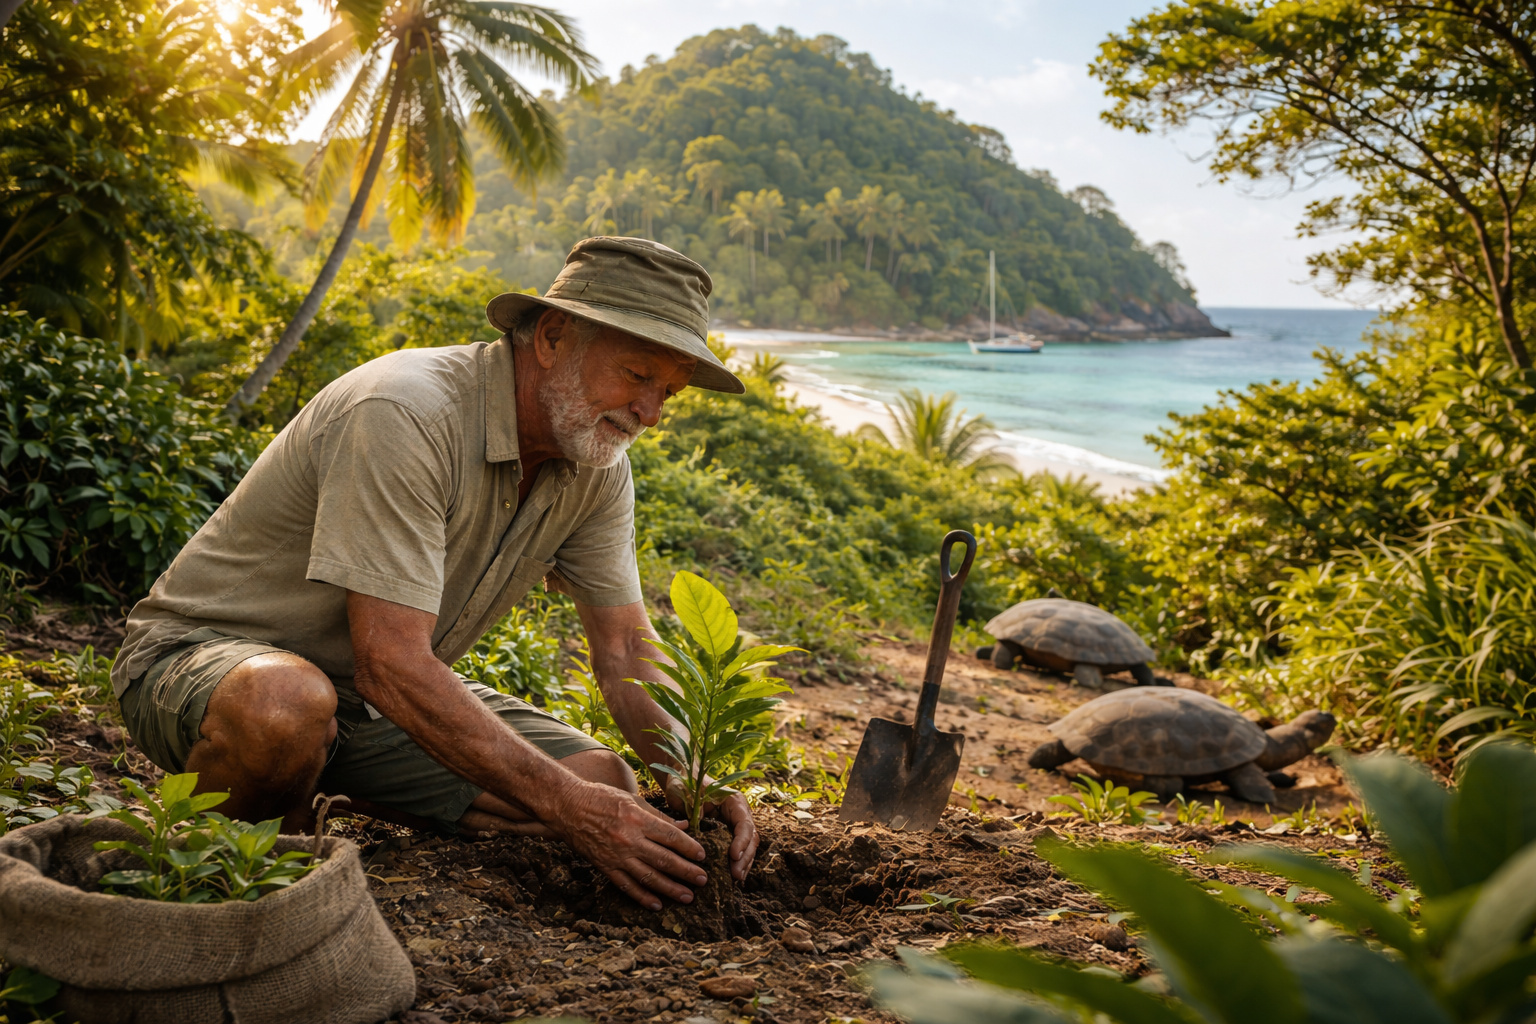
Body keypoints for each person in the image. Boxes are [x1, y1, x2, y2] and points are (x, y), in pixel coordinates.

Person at [109, 237, 754, 912]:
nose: (650, 414)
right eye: (637, 375)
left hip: (365, 697)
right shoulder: (406, 412)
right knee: (285, 709)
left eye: (669, 394)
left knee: (603, 781)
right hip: (204, 667)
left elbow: (623, 646)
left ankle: (308, 782)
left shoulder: (596, 465)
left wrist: (690, 778)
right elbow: (390, 659)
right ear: (554, 336)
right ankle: (241, 826)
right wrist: (568, 807)